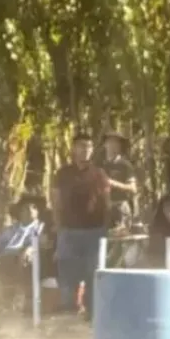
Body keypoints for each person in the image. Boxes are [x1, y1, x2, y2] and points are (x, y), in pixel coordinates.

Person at [51, 133, 111, 319]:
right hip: (69, 230)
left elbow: (106, 202)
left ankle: (92, 312)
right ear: (73, 149)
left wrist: (106, 228)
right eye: (82, 146)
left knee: (93, 271)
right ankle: (69, 308)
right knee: (67, 270)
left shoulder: (99, 174)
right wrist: (58, 226)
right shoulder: (62, 174)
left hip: (94, 231)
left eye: (89, 146)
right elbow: (56, 201)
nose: (85, 150)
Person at [100, 131, 138, 229]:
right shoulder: (100, 165)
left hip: (120, 207)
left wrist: (113, 183)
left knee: (121, 240)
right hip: (103, 208)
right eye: (110, 142)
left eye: (116, 143)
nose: (113, 145)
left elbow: (133, 189)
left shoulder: (125, 165)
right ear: (105, 144)